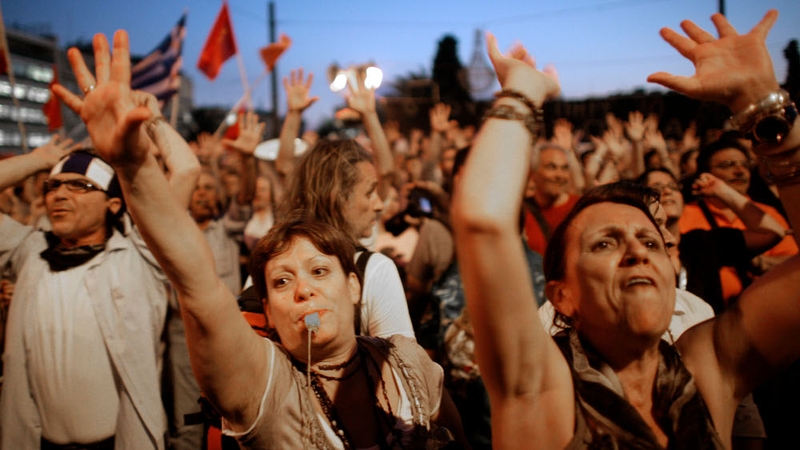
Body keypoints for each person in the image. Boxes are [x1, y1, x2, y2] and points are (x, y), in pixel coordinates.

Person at [52, 30, 469, 449]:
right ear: (266, 308)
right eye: (282, 282)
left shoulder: (409, 365)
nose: (304, 289)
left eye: (320, 271)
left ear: (355, 284)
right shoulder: (265, 392)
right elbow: (197, 283)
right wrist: (133, 165)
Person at [452, 9, 800, 449]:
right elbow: (483, 219)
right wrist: (523, 90)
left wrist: (763, 103)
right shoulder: (539, 386)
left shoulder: (709, 365)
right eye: (604, 243)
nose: (637, 252)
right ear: (562, 295)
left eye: (650, 241)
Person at [0, 135, 192, 448]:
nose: (60, 194)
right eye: (53, 185)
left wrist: (149, 126)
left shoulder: (139, 257)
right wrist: (37, 160)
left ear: (113, 203)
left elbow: (185, 171)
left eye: (80, 186)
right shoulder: (30, 252)